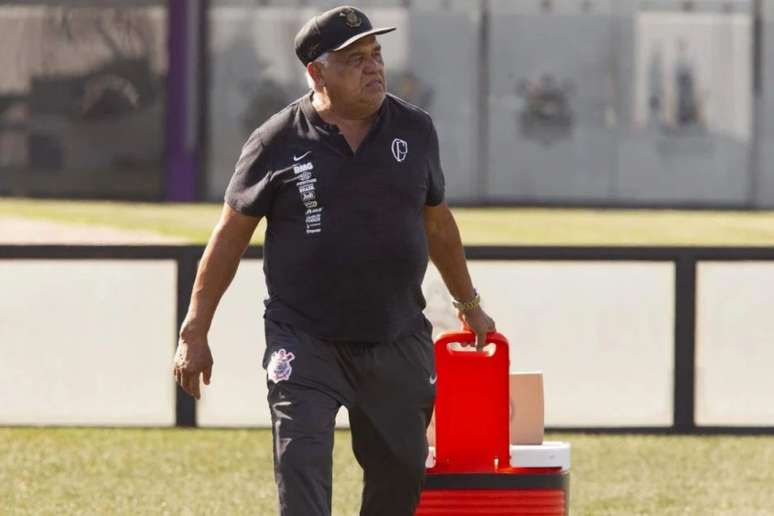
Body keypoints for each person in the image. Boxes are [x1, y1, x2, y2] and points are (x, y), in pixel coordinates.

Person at [172, 5, 496, 516]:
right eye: (354, 60)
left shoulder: (415, 130)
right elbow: (229, 238)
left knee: (400, 475)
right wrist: (195, 330)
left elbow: (438, 225)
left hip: (395, 337)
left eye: (376, 55)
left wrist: (468, 301)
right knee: (302, 471)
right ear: (316, 72)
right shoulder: (275, 140)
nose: (373, 68)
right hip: (304, 338)